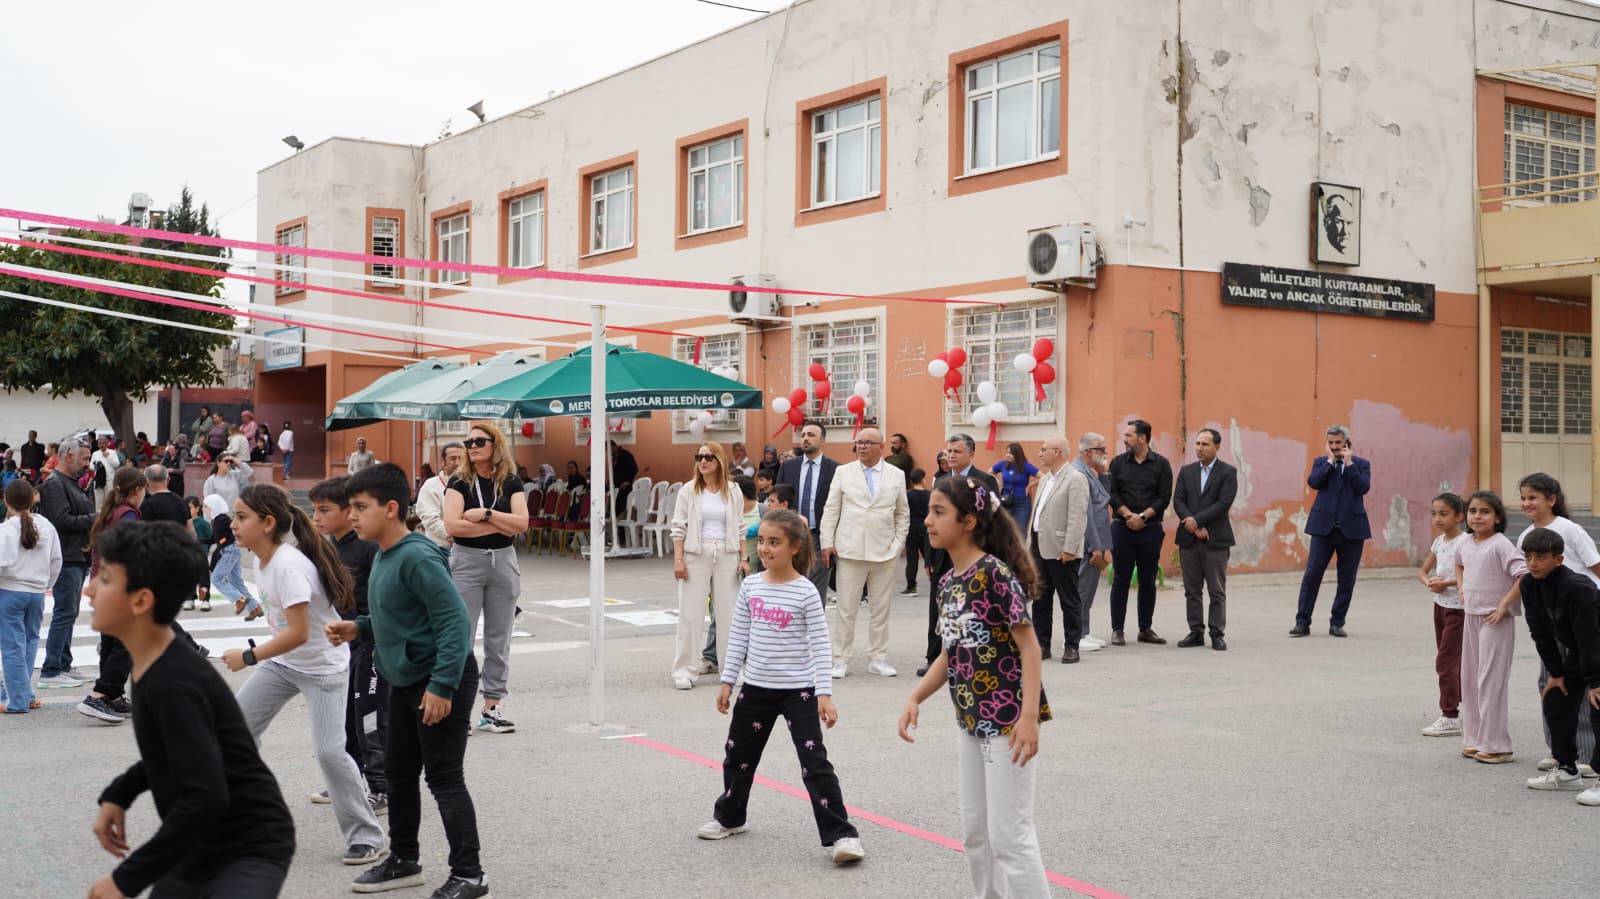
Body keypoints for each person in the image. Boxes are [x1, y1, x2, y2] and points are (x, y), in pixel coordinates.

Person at [86, 522, 296, 899]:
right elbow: (174, 751)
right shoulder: (153, 660)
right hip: (198, 844)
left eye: (104, 579)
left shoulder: (173, 682)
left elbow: (206, 797)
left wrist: (126, 879)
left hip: (248, 845)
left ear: (140, 601)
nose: (89, 589)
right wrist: (120, 792)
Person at [331, 462, 489, 899]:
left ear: (391, 508)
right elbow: (401, 619)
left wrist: (441, 686)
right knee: (398, 773)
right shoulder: (385, 554)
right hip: (405, 679)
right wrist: (359, 628)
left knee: (443, 777)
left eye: (360, 506)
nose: (352, 515)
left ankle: (470, 874)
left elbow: (454, 623)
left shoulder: (417, 556)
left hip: (440, 677)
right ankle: (404, 859)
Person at [897, 475, 1051, 897]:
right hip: (970, 719)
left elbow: (1030, 648)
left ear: (968, 521)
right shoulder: (949, 582)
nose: (928, 521)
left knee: (1010, 837)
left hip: (1008, 720)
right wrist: (915, 696)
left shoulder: (993, 574)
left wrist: (1028, 718)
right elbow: (951, 652)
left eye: (939, 512)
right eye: (929, 511)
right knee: (976, 833)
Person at [220, 484, 387, 865]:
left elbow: (298, 633)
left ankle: (367, 835)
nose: (233, 524)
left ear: (268, 523)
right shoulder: (262, 561)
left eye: (242, 517)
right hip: (285, 663)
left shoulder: (288, 566)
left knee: (330, 752)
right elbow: (286, 627)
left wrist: (248, 656)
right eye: (234, 516)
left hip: (322, 667)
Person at [696, 509, 866, 864]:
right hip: (755, 689)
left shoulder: (805, 591)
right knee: (738, 757)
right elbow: (738, 636)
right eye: (761, 541)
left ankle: (842, 835)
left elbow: (821, 644)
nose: (765, 548)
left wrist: (824, 694)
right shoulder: (750, 586)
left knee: (814, 763)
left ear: (794, 547)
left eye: (774, 542)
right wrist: (728, 680)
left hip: (798, 692)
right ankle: (730, 817)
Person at [1494, 472, 1600, 776]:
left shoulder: (1569, 529)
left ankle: (1588, 755)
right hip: (1555, 620)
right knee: (1554, 683)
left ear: (1551, 500)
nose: (1527, 503)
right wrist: (1505, 602)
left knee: (1589, 687)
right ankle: (1560, 753)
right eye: (1523, 498)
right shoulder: (1527, 537)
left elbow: (1595, 566)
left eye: (1533, 498)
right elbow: (1527, 583)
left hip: (1583, 616)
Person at [309, 477, 389, 815]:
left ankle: (382, 788)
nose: (317, 517)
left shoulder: (368, 547)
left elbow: (382, 598)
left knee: (368, 715)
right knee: (345, 715)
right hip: (342, 646)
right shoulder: (329, 547)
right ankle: (349, 781)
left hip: (371, 643)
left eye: (324, 510)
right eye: (314, 511)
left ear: (347, 512)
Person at [443, 422, 528, 734]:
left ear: (496, 444)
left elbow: (522, 523)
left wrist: (486, 515)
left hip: (503, 561)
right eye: (469, 442)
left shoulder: (511, 481)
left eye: (479, 441)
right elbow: (453, 526)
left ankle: (492, 708)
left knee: (499, 638)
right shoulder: (459, 482)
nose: (473, 447)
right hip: (466, 561)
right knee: (461, 637)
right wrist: (502, 525)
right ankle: (458, 711)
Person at [1512, 527, 1600, 804]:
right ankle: (1567, 771)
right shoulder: (1528, 584)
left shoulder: (1579, 588)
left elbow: (1591, 637)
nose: (1533, 563)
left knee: (1598, 706)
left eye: (1541, 557)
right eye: (1528, 557)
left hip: (1595, 647)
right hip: (1579, 651)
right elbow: (1539, 632)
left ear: (1559, 559)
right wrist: (1557, 672)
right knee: (1556, 697)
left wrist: (1596, 682)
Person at [820, 427, 910, 679]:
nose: (861, 446)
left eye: (868, 443)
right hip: (850, 549)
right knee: (846, 609)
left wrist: (898, 543)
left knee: (880, 608)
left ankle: (878, 658)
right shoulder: (843, 472)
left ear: (881, 446)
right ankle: (840, 659)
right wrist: (827, 542)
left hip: (885, 551)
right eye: (859, 442)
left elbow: (902, 513)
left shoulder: (896, 474)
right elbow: (831, 510)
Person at [1450, 491, 1524, 765]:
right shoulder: (1465, 543)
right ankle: (1474, 738)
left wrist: (1504, 605)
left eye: (1485, 512)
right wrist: (1461, 587)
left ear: (1498, 518)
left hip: (1495, 619)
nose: (1477, 517)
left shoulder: (1500, 544)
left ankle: (1497, 745)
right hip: (1471, 616)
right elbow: (1458, 563)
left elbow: (1523, 574)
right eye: (1473, 511)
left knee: (1490, 681)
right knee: (1470, 678)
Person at [919, 434, 999, 676]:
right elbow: (932, 518)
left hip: (971, 554)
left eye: (957, 451)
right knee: (938, 607)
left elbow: (992, 520)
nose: (951, 455)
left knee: (972, 606)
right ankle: (934, 658)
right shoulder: (941, 480)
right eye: (949, 451)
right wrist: (929, 557)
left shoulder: (985, 480)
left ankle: (970, 657)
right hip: (943, 555)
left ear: (971, 454)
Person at [670, 441, 747, 690]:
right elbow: (678, 527)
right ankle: (685, 670)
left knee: (729, 615)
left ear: (719, 460)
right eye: (699, 457)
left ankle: (731, 669)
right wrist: (679, 560)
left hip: (727, 553)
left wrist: (744, 558)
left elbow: (740, 526)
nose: (703, 461)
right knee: (690, 614)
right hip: (696, 552)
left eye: (708, 457)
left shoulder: (733, 490)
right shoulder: (689, 490)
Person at [76, 467, 149, 725]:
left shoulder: (111, 512)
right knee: (126, 644)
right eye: (144, 490)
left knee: (111, 643)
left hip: (102, 584)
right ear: (137, 490)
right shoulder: (127, 515)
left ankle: (113, 696)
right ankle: (100, 693)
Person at [1291, 424, 1372, 638]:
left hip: (1352, 530)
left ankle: (1337, 623)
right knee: (1312, 575)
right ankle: (1302, 622)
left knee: (1346, 579)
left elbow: (1363, 487)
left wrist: (1349, 464)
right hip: (1323, 529)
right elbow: (1314, 482)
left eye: (1338, 442)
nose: (1335, 446)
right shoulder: (1321, 462)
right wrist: (1329, 462)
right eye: (1331, 443)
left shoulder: (1361, 464)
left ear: (1347, 443)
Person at [1107, 419, 1174, 646]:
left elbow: (1164, 497)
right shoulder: (1117, 464)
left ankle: (1145, 629)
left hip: (1150, 530)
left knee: (1148, 580)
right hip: (1122, 528)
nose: (1124, 439)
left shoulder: (1161, 464)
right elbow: (1112, 494)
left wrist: (1143, 517)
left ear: (1142, 438)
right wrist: (1129, 516)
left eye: (1129, 435)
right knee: (1120, 579)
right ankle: (1117, 629)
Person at [37, 437, 96, 687]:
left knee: (69, 613)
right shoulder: (54, 484)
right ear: (69, 456)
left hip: (76, 555)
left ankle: (63, 664)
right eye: (84, 458)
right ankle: (51, 669)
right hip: (65, 556)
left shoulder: (72, 482)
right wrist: (95, 518)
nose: (87, 463)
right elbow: (62, 520)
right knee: (64, 613)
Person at [1172, 428, 1238, 651]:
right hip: (1189, 539)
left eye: (1205, 444)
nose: (1199, 448)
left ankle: (1217, 633)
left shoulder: (1228, 472)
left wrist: (1197, 521)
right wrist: (1191, 524)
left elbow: (1223, 503)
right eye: (1198, 444)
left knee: (1216, 590)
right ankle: (1195, 632)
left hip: (1215, 539)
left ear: (1217, 447)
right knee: (1192, 590)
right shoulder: (1187, 471)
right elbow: (1178, 500)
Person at [0, 479, 59, 714]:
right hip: (37, 593)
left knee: (12, 647)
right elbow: (56, 561)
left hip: (10, 591)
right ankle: (26, 694)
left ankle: (17, 700)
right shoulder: (46, 526)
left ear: (6, 500)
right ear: (33, 499)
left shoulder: (6, 530)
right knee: (29, 643)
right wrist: (45, 585)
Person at [1028, 437, 1088, 663]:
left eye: (1044, 450)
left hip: (1062, 549)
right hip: (1039, 546)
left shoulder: (1075, 479)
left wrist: (1070, 548)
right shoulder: (1045, 479)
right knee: (1040, 600)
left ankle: (1072, 645)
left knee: (1069, 600)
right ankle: (1042, 645)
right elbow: (1038, 513)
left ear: (1058, 452)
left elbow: (1077, 517)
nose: (1040, 453)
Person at [1418, 493, 1468, 738]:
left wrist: (1445, 583)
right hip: (1440, 606)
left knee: (1446, 661)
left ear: (1459, 516)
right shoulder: (1439, 541)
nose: (1437, 519)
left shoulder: (1466, 542)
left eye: (1443, 514)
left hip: (1459, 609)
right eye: (1434, 514)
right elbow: (1423, 571)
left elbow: (1469, 574)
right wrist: (1430, 582)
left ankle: (1450, 715)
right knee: (1449, 658)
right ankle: (1464, 705)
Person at [776, 421, 839, 603]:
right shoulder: (788, 466)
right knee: (789, 584)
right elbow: (778, 498)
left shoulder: (835, 469)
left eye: (811, 435)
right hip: (791, 534)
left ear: (823, 440)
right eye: (803, 435)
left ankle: (815, 620)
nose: (805, 438)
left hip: (820, 536)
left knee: (817, 588)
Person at [1072, 433, 1113, 652]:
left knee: (1088, 589)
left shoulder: (1090, 471)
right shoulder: (1079, 473)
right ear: (1089, 452)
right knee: (1082, 590)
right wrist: (1095, 546)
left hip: (1097, 540)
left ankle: (1084, 631)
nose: (1105, 453)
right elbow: (1085, 514)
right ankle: (1076, 635)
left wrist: (1104, 473)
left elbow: (1104, 498)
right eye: (1101, 450)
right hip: (1090, 542)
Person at [205, 494, 255, 617]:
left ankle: (239, 599)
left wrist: (247, 541)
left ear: (214, 506)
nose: (203, 509)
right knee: (236, 582)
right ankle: (254, 608)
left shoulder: (222, 520)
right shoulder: (217, 521)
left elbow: (235, 530)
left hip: (230, 551)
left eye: (206, 506)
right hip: (230, 550)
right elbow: (214, 540)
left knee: (216, 579)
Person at [415, 442, 465, 549]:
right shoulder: (431, 485)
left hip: (467, 549)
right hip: (440, 548)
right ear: (443, 462)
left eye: (461, 459)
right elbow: (430, 518)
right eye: (453, 458)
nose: (457, 463)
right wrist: (451, 535)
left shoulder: (471, 484)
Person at [991, 442, 1040, 534]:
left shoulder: (1026, 466)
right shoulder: (1003, 464)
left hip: (1022, 503)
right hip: (1006, 500)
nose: (1007, 455)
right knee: (1003, 530)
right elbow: (990, 472)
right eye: (1007, 452)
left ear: (1017, 454)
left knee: (1020, 531)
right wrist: (999, 483)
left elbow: (1043, 476)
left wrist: (1030, 485)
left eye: (1010, 453)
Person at [901, 468, 931, 597]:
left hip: (911, 529)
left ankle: (911, 587)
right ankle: (936, 583)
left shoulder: (907, 495)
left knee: (912, 559)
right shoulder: (930, 495)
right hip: (926, 529)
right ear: (923, 479)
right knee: (929, 558)